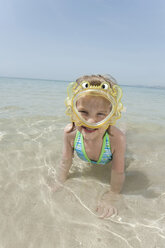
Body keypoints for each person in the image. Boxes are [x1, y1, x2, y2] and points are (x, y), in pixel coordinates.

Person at [53, 74, 126, 219]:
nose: (91, 121)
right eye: (83, 112)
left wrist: (112, 196)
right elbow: (65, 161)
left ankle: (126, 127)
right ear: (72, 111)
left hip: (110, 148)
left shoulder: (116, 139)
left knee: (124, 134)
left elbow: (118, 172)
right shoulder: (70, 133)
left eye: (101, 114)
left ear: (111, 116)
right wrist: (60, 181)